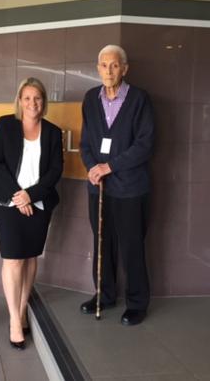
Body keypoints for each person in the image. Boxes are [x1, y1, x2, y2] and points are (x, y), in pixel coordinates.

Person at [0, 77, 63, 349]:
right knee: (13, 260)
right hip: (6, 202)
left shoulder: (52, 131)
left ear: (43, 102)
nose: (32, 103)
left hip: (38, 204)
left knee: (29, 258)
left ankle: (23, 307)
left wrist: (32, 195)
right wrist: (19, 195)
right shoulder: (6, 124)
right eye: (27, 98)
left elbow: (55, 171)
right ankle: (14, 320)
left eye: (37, 98)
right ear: (19, 100)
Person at [79, 44, 154, 326]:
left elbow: (145, 145)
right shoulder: (90, 99)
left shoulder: (139, 99)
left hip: (132, 188)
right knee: (102, 242)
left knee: (132, 245)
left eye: (114, 65)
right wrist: (93, 169)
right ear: (97, 68)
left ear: (124, 69)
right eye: (103, 65)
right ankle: (104, 294)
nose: (108, 71)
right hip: (99, 187)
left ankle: (137, 303)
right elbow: (85, 142)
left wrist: (109, 166)